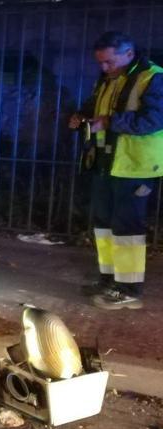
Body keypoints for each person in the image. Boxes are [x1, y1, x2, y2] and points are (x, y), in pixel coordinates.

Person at [69, 30, 163, 310]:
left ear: (129, 54)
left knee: (127, 230)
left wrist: (109, 122)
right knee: (104, 227)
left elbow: (153, 119)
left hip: (135, 166)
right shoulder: (111, 78)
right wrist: (82, 116)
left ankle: (128, 289)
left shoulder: (153, 77)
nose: (104, 68)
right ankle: (109, 280)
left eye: (109, 62)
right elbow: (96, 105)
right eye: (100, 63)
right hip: (106, 163)